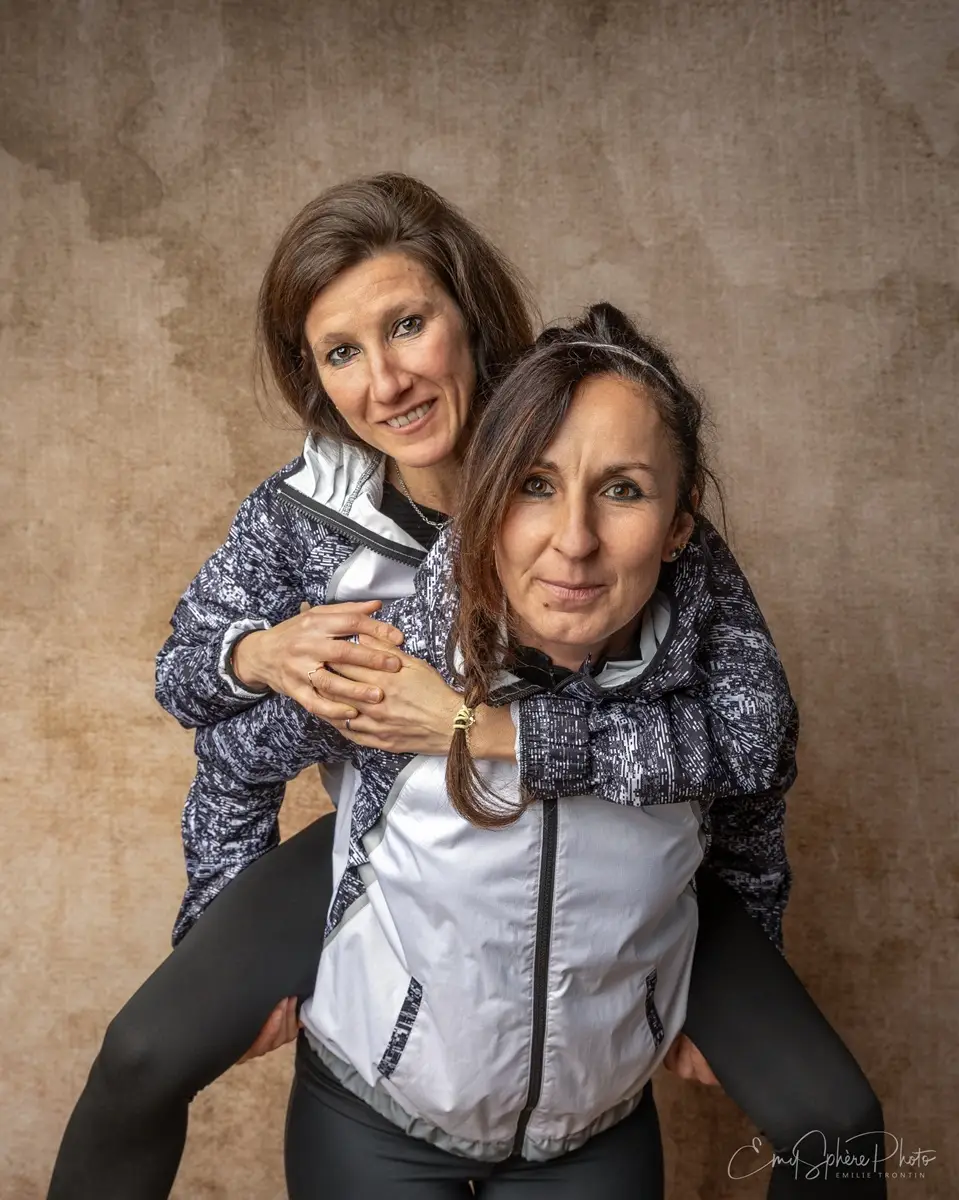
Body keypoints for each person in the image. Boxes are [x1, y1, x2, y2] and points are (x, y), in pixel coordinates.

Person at [47, 179, 884, 1198]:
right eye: (341, 352)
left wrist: (482, 728)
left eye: (408, 326)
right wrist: (260, 659)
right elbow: (203, 705)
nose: (388, 379)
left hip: (625, 826)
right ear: (313, 379)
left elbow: (751, 744)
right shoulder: (307, 520)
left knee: (834, 1122)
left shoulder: (599, 464)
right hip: (393, 822)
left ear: (470, 318)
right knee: (145, 1050)